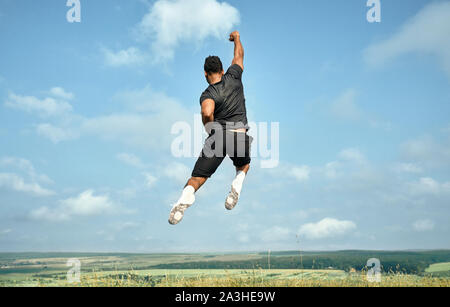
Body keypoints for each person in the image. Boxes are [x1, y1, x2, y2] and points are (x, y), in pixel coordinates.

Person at [169, 31, 252, 225]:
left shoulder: (207, 93)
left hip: (218, 137)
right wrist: (237, 38)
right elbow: (239, 56)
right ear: (223, 71)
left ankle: (185, 199)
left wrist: (210, 129)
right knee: (243, 166)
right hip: (239, 135)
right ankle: (237, 185)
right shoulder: (234, 76)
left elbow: (207, 113)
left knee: (198, 178)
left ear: (205, 74)